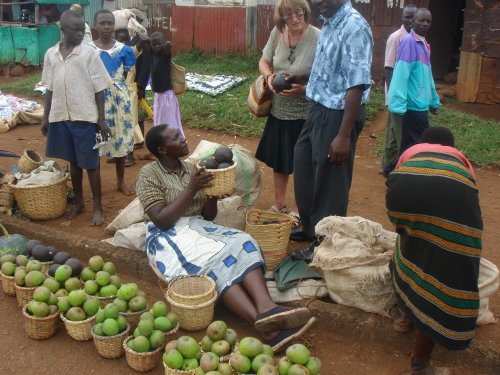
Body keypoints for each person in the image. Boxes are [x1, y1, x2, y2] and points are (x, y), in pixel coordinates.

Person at [135, 124, 316, 351]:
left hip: (197, 226)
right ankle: (263, 325)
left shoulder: (191, 168)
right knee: (213, 259)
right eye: (175, 138)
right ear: (162, 150)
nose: (183, 139)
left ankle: (267, 307)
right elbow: (161, 220)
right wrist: (191, 189)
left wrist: (212, 196)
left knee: (242, 241)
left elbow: (208, 216)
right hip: (166, 235)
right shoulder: (148, 174)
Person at [386, 126, 482, 374]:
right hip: (454, 194)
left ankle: (403, 314)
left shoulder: (412, 151)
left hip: (401, 187)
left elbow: (393, 179)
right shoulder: (460, 160)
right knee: (443, 272)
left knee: (408, 245)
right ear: (451, 146)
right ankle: (419, 367)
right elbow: (469, 192)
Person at [290, 0, 373, 244]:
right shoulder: (330, 22)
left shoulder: (354, 27)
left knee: (330, 183)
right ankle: (310, 228)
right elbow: (329, 66)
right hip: (318, 108)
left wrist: (343, 135)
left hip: (338, 114)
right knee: (303, 164)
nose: (317, 2)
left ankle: (326, 244)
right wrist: (303, 76)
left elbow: (356, 83)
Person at [41, 10, 112, 226]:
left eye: (83, 29)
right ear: (63, 30)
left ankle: (97, 206)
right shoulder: (51, 55)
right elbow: (50, 89)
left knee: (91, 164)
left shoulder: (89, 54)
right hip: (61, 116)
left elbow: (100, 88)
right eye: (76, 30)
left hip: (84, 116)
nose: (81, 33)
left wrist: (101, 119)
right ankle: (79, 202)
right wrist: (46, 117)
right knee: (73, 162)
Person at [255, 0, 320, 222]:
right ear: (281, 18)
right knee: (280, 160)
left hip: (306, 112)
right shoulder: (277, 33)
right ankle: (280, 204)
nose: (293, 19)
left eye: (298, 14)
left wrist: (304, 89)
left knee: (303, 163)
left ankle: (297, 209)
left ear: (306, 12)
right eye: (287, 15)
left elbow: (325, 76)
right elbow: (264, 61)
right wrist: (268, 76)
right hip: (279, 110)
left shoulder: (318, 37)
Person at [91, 9, 136, 195]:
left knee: (121, 139)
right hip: (96, 99)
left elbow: (127, 74)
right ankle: (96, 185)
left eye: (110, 23)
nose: (107, 26)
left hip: (119, 100)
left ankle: (120, 181)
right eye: (103, 23)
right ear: (96, 26)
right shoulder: (89, 50)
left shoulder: (124, 50)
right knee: (96, 142)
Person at [388, 8, 441, 158]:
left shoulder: (424, 44)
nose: (425, 24)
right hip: (410, 107)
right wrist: (398, 107)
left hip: (421, 107)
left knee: (411, 145)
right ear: (413, 22)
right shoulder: (409, 43)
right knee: (414, 147)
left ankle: (394, 173)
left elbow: (428, 77)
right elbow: (400, 75)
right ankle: (402, 175)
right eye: (421, 20)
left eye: (428, 21)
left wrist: (434, 101)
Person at [380, 3, 417, 177]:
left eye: (413, 17)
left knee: (393, 135)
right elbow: (389, 68)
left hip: (407, 94)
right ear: (401, 18)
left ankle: (387, 165)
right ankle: (395, 169)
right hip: (397, 95)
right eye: (407, 17)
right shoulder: (396, 38)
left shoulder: (416, 38)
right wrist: (393, 95)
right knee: (399, 133)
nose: (410, 20)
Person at [136, 32, 184, 160]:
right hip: (158, 96)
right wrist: (145, 39)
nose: (157, 46)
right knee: (158, 123)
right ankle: (158, 151)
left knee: (167, 124)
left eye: (159, 43)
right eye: (154, 44)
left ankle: (171, 151)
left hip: (167, 96)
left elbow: (168, 48)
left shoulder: (164, 55)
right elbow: (146, 43)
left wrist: (167, 45)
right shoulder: (152, 54)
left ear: (163, 44)